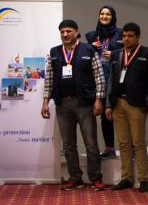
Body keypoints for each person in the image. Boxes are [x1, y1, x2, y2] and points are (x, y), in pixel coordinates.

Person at [41, 19, 106, 191]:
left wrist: (99, 99)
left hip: (85, 104)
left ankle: (96, 178)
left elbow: (99, 77)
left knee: (91, 143)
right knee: (68, 144)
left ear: (77, 32)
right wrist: (45, 102)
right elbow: (49, 78)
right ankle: (75, 177)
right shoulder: (54, 52)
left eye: (69, 31)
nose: (65, 34)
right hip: (62, 104)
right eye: (62, 32)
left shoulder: (88, 49)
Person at [106, 22, 148, 192]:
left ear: (137, 37)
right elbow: (111, 80)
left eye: (130, 36)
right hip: (117, 103)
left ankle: (143, 179)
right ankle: (126, 177)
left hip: (137, 104)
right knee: (123, 142)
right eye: (124, 36)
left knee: (138, 142)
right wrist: (108, 104)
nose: (126, 39)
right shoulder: (116, 54)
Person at [85, 6, 123, 159]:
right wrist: (90, 47)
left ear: (113, 17)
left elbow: (128, 52)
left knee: (118, 114)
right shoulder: (91, 36)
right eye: (102, 14)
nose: (104, 16)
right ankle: (109, 148)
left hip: (115, 79)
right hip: (97, 80)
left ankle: (129, 147)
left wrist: (112, 54)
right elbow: (85, 54)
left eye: (108, 14)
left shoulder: (121, 33)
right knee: (104, 116)